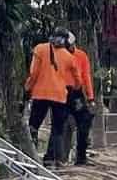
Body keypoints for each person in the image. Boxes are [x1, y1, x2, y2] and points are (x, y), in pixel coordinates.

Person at [25, 27, 76, 168]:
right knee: (57, 129)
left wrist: (28, 88)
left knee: (33, 126)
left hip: (40, 94)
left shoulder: (40, 49)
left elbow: (33, 73)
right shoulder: (69, 57)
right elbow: (76, 79)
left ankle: (30, 157)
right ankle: (54, 161)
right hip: (59, 96)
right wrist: (74, 88)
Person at [64, 31, 95, 165]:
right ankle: (57, 158)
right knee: (59, 125)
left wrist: (90, 97)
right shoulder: (58, 54)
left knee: (84, 121)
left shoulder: (81, 56)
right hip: (61, 92)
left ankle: (81, 157)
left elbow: (86, 77)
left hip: (76, 93)